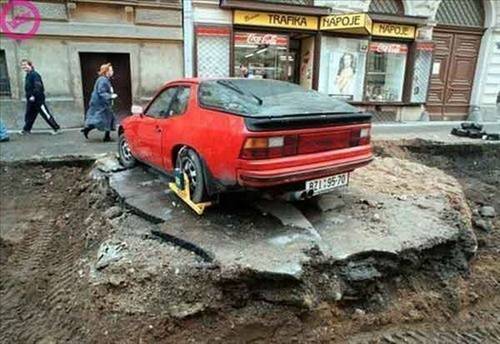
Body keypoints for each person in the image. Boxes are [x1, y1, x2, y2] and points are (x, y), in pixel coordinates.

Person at [20, 59, 60, 135]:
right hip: (30, 100)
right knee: (29, 115)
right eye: (22, 65)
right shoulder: (28, 75)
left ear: (30, 65)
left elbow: (38, 86)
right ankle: (26, 130)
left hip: (37, 100)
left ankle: (56, 128)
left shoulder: (34, 75)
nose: (24, 66)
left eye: (25, 65)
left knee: (45, 114)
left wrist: (33, 95)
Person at [81, 63, 118, 142]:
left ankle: (106, 136)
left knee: (107, 118)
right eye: (111, 70)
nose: (112, 71)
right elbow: (101, 92)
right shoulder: (103, 80)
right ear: (106, 71)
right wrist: (110, 96)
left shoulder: (105, 79)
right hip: (101, 104)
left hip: (102, 103)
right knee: (100, 119)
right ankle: (88, 129)